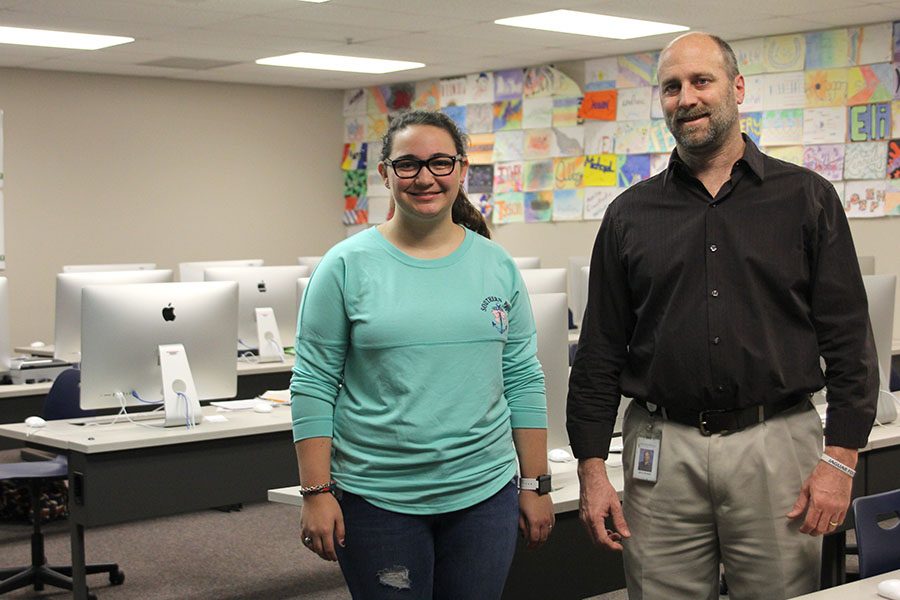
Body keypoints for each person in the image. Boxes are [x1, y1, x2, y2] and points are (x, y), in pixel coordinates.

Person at [567, 32, 878, 600]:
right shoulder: (629, 215)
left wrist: (841, 459)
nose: (685, 98)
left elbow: (850, 339)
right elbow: (600, 351)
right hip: (660, 451)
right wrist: (591, 466)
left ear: (736, 89)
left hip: (775, 443)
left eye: (700, 81)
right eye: (671, 87)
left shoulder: (806, 198)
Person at [290, 109, 554, 599]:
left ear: (461, 170)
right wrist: (316, 491)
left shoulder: (496, 264)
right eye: (408, 164)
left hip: (484, 493)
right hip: (378, 498)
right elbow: (313, 384)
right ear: (385, 172)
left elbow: (521, 376)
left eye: (440, 162)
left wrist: (536, 483)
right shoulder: (345, 265)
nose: (425, 177)